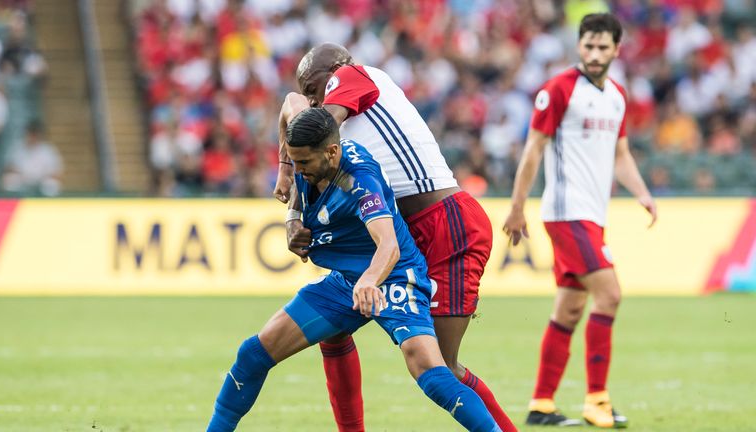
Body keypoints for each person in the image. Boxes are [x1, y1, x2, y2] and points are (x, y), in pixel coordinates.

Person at [206, 107, 501, 432]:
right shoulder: (307, 154)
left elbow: (389, 244)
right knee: (252, 354)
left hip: (393, 276)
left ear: (332, 152)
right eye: (294, 160)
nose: (299, 171)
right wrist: (289, 201)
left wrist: (370, 281)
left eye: (303, 163)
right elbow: (290, 103)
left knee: (430, 370)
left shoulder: (359, 179)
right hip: (346, 280)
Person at [273, 44, 517, 432]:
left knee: (442, 367)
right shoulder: (338, 116)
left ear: (335, 70)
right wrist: (288, 180)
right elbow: (292, 104)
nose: (313, 98)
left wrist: (294, 196)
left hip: (445, 225)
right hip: (408, 232)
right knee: (333, 331)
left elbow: (310, 126)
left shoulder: (354, 76)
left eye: (314, 87)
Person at [502, 13, 657, 428]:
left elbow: (621, 154)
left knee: (569, 311)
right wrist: (518, 206)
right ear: (579, 45)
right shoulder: (558, 90)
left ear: (616, 49)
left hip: (593, 215)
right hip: (567, 214)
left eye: (602, 47)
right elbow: (533, 149)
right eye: (588, 45)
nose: (594, 53)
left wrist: (641, 192)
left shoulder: (617, 96)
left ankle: (541, 405)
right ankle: (597, 400)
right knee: (610, 295)